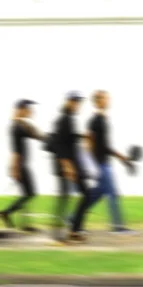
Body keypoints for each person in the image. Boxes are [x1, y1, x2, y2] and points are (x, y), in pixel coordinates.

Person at [69, 90, 136, 235]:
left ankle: (73, 217)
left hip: (103, 162)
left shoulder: (103, 120)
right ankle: (118, 227)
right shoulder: (95, 120)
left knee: (97, 194)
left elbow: (104, 145)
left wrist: (122, 158)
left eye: (108, 98)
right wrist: (89, 164)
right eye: (106, 99)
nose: (108, 101)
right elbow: (89, 141)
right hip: (100, 164)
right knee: (112, 193)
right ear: (98, 101)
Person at [51, 91, 92, 244]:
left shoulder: (69, 119)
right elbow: (60, 145)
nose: (77, 105)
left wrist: (82, 136)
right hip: (66, 165)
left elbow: (69, 138)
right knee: (64, 198)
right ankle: (58, 233)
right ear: (68, 102)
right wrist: (68, 167)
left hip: (73, 164)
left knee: (86, 194)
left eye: (79, 102)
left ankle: (74, 229)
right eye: (75, 102)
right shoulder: (63, 119)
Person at [1, 100, 46, 232]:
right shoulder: (17, 127)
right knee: (30, 193)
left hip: (21, 165)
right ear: (21, 109)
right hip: (19, 165)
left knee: (26, 194)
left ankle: (17, 219)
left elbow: (38, 136)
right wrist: (15, 169)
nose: (31, 112)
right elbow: (16, 151)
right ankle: (7, 213)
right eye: (29, 109)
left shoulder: (20, 125)